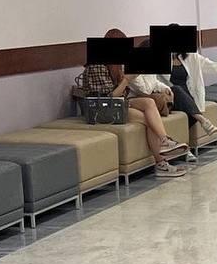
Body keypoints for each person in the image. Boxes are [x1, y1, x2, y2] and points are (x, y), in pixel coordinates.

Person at [77, 30, 188, 178]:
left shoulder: (116, 65)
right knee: (149, 120)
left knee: (149, 102)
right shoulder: (97, 66)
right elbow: (107, 99)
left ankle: (165, 141)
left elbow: (122, 95)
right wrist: (126, 80)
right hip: (101, 110)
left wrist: (126, 81)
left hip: (117, 104)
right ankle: (162, 163)